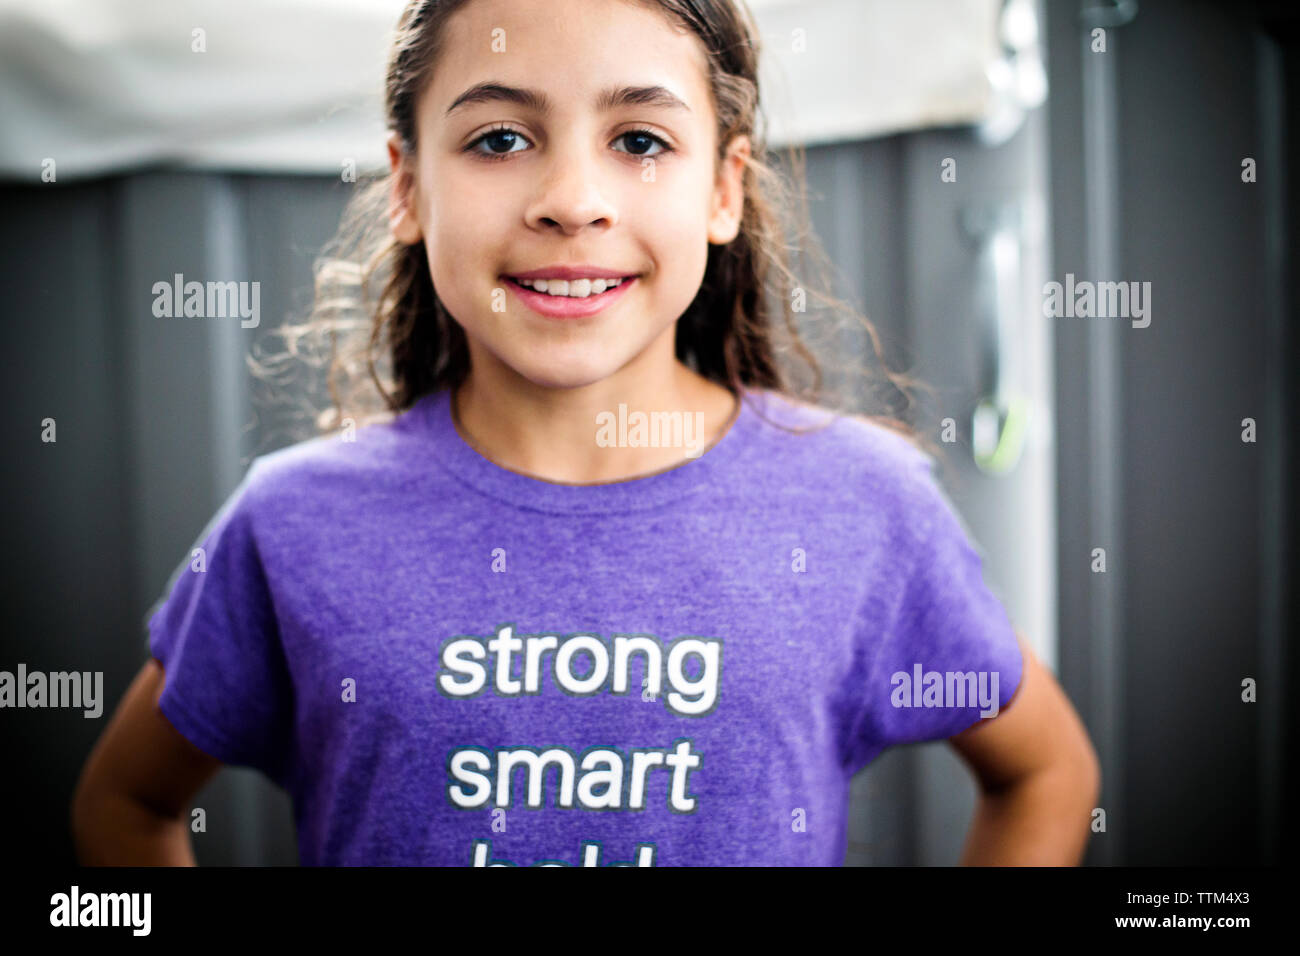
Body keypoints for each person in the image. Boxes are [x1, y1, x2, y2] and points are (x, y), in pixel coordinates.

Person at [71, 0, 1099, 866]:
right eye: (499, 139)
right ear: (408, 185)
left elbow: (1046, 769)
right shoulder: (293, 522)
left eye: (641, 141)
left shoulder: (860, 502)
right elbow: (125, 802)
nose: (571, 200)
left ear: (723, 189)